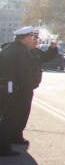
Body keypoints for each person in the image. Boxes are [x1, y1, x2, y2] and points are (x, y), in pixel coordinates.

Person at [0, 27, 58, 155]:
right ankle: (3, 147)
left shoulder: (19, 50)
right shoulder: (17, 51)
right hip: (14, 89)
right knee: (10, 117)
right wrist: (25, 88)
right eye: (31, 37)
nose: (34, 40)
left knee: (15, 116)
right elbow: (21, 73)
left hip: (15, 88)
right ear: (25, 38)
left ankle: (11, 139)